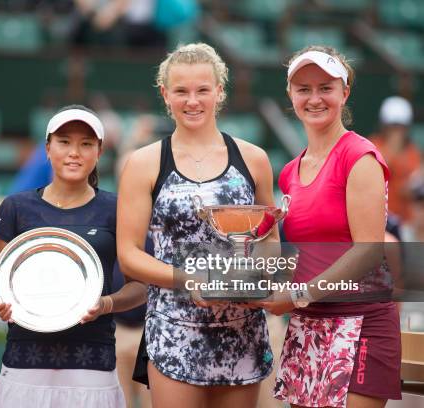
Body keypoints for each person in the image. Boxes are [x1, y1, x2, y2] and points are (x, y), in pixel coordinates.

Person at [117, 42, 278, 407]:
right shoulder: (144, 163)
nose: (193, 101)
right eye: (181, 91)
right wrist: (191, 280)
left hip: (242, 332)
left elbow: (269, 243)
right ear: (165, 94)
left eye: (203, 90)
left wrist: (260, 283)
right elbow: (128, 256)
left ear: (219, 91)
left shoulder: (254, 160)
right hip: (174, 332)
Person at [263, 46, 401, 408]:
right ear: (290, 95)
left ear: (345, 93)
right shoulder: (290, 172)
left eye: (326, 87)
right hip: (307, 324)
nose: (314, 98)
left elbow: (369, 250)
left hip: (361, 321)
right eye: (303, 89)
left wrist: (295, 295)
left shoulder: (359, 156)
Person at [0, 105, 147, 408]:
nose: (74, 152)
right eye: (64, 142)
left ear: (99, 152)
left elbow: (140, 286)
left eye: (86, 144)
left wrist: (106, 304)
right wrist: (2, 302)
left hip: (93, 363)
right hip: (24, 360)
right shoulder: (15, 207)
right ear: (47, 148)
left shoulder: (118, 209)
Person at [369, 96, 420, 223]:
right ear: (384, 126)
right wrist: (392, 149)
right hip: (377, 219)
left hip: (405, 222)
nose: (396, 131)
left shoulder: (412, 152)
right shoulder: (372, 145)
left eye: (400, 127)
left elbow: (412, 188)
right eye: (392, 126)